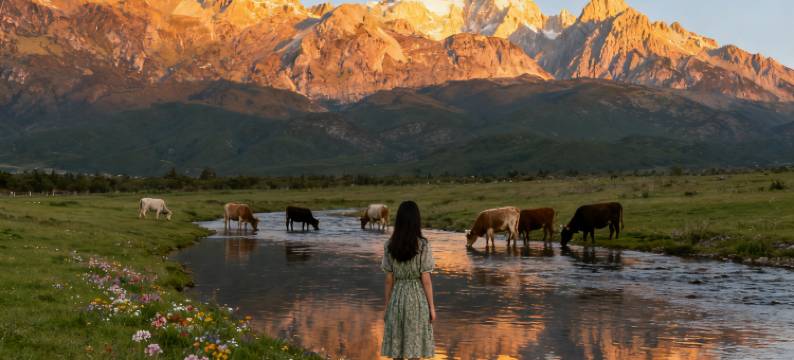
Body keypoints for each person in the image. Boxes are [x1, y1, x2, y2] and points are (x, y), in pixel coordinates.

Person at [381, 201, 435, 359]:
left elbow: (389, 280)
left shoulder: (390, 245)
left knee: (397, 348)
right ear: (416, 220)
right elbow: (426, 279)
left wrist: (387, 306)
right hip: (417, 300)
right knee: (414, 348)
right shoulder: (423, 245)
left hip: (397, 298)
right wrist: (431, 307)